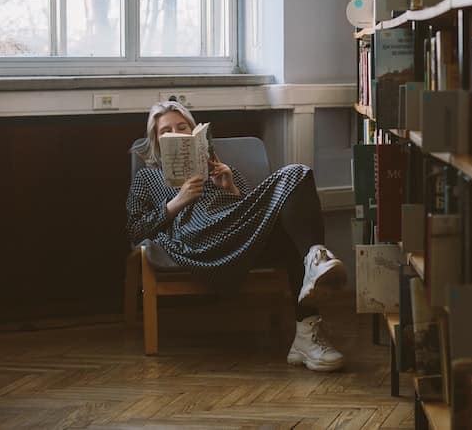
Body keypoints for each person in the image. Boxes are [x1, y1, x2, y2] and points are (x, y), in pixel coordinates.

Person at [126, 101, 348, 371]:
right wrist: (177, 203)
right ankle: (315, 263)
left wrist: (230, 187)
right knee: (292, 207)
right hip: (198, 239)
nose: (177, 133)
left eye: (183, 127)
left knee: (297, 176)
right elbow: (135, 229)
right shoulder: (148, 177)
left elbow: (256, 209)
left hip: (238, 234)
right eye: (167, 131)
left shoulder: (220, 168)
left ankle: (306, 333)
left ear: (195, 132)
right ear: (157, 141)